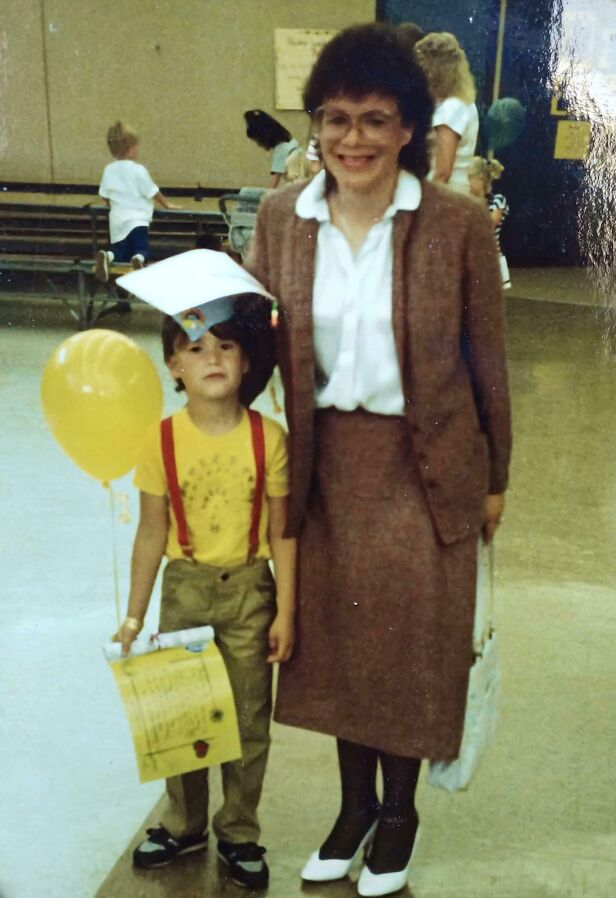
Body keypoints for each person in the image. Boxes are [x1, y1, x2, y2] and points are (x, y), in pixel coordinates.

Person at [246, 22, 511, 897]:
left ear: (409, 127)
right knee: (339, 654)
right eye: (335, 119)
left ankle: (398, 815)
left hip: (425, 463)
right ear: (316, 124)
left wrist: (497, 478)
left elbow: (487, 361)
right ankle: (352, 809)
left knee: (409, 653)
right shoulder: (284, 219)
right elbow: (252, 337)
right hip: (327, 466)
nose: (351, 139)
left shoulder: (456, 225)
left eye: (374, 119)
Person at [113, 251, 296, 891]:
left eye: (224, 346)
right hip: (184, 592)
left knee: (248, 721)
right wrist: (135, 613)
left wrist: (289, 612)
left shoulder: (268, 439)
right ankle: (184, 822)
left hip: (250, 592)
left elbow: (283, 532)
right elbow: (150, 532)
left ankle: (239, 830)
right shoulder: (159, 440)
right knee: (183, 716)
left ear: (245, 362)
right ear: (173, 365)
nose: (211, 357)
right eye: (194, 347)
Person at [96, 121, 179, 283]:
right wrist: (167, 204)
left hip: (117, 220)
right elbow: (152, 191)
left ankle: (108, 256)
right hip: (138, 220)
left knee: (119, 251)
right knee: (141, 247)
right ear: (132, 149)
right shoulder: (138, 170)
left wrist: (110, 204)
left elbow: (104, 195)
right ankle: (139, 260)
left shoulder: (109, 169)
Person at [414, 31, 479, 192]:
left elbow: (443, 172)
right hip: (457, 192)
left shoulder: (450, 108)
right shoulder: (465, 103)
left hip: (445, 194)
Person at [468, 156, 511, 289]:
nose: (467, 183)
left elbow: (490, 223)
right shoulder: (470, 201)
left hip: (491, 259)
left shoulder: (498, 200)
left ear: (480, 177)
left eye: (470, 178)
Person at [244, 109, 300, 188]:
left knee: (245, 192)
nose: (258, 145)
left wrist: (266, 198)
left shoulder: (281, 151)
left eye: (258, 142)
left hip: (295, 189)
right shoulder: (293, 143)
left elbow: (274, 181)